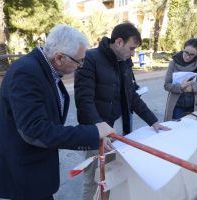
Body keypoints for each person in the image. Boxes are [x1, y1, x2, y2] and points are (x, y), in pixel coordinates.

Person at [0, 24, 116, 200]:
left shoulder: (43, 69)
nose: (81, 66)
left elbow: (24, 116)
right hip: (26, 176)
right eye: (79, 61)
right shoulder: (27, 72)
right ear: (60, 57)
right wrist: (94, 132)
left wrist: (8, 136)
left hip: (34, 170)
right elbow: (35, 129)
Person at [74, 22, 170, 200]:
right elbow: (84, 102)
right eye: (131, 48)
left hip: (118, 130)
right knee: (93, 179)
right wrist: (100, 129)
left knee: (112, 175)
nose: (133, 53)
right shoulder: (90, 60)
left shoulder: (125, 62)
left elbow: (131, 96)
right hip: (95, 131)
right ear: (118, 42)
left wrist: (153, 121)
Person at [164, 38, 197, 121]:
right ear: (183, 49)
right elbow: (167, 85)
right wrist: (181, 87)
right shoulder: (173, 63)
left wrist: (192, 87)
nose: (188, 56)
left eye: (192, 54)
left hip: (194, 105)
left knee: (192, 130)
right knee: (175, 130)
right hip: (177, 105)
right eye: (186, 52)